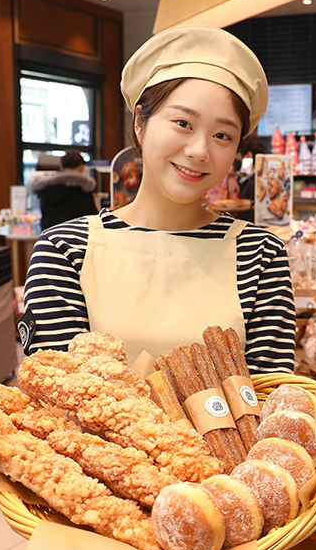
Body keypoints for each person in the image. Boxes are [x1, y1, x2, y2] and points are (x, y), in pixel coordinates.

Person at [19, 25, 295, 379]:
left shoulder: (260, 254)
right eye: (182, 122)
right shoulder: (66, 250)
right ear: (140, 122)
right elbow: (59, 398)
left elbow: (269, 402)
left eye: (222, 135)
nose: (199, 151)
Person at [29, 150, 98, 231]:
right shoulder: (83, 189)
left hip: (49, 236)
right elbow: (91, 217)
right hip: (75, 237)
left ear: (61, 168)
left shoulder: (45, 188)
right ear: (81, 167)